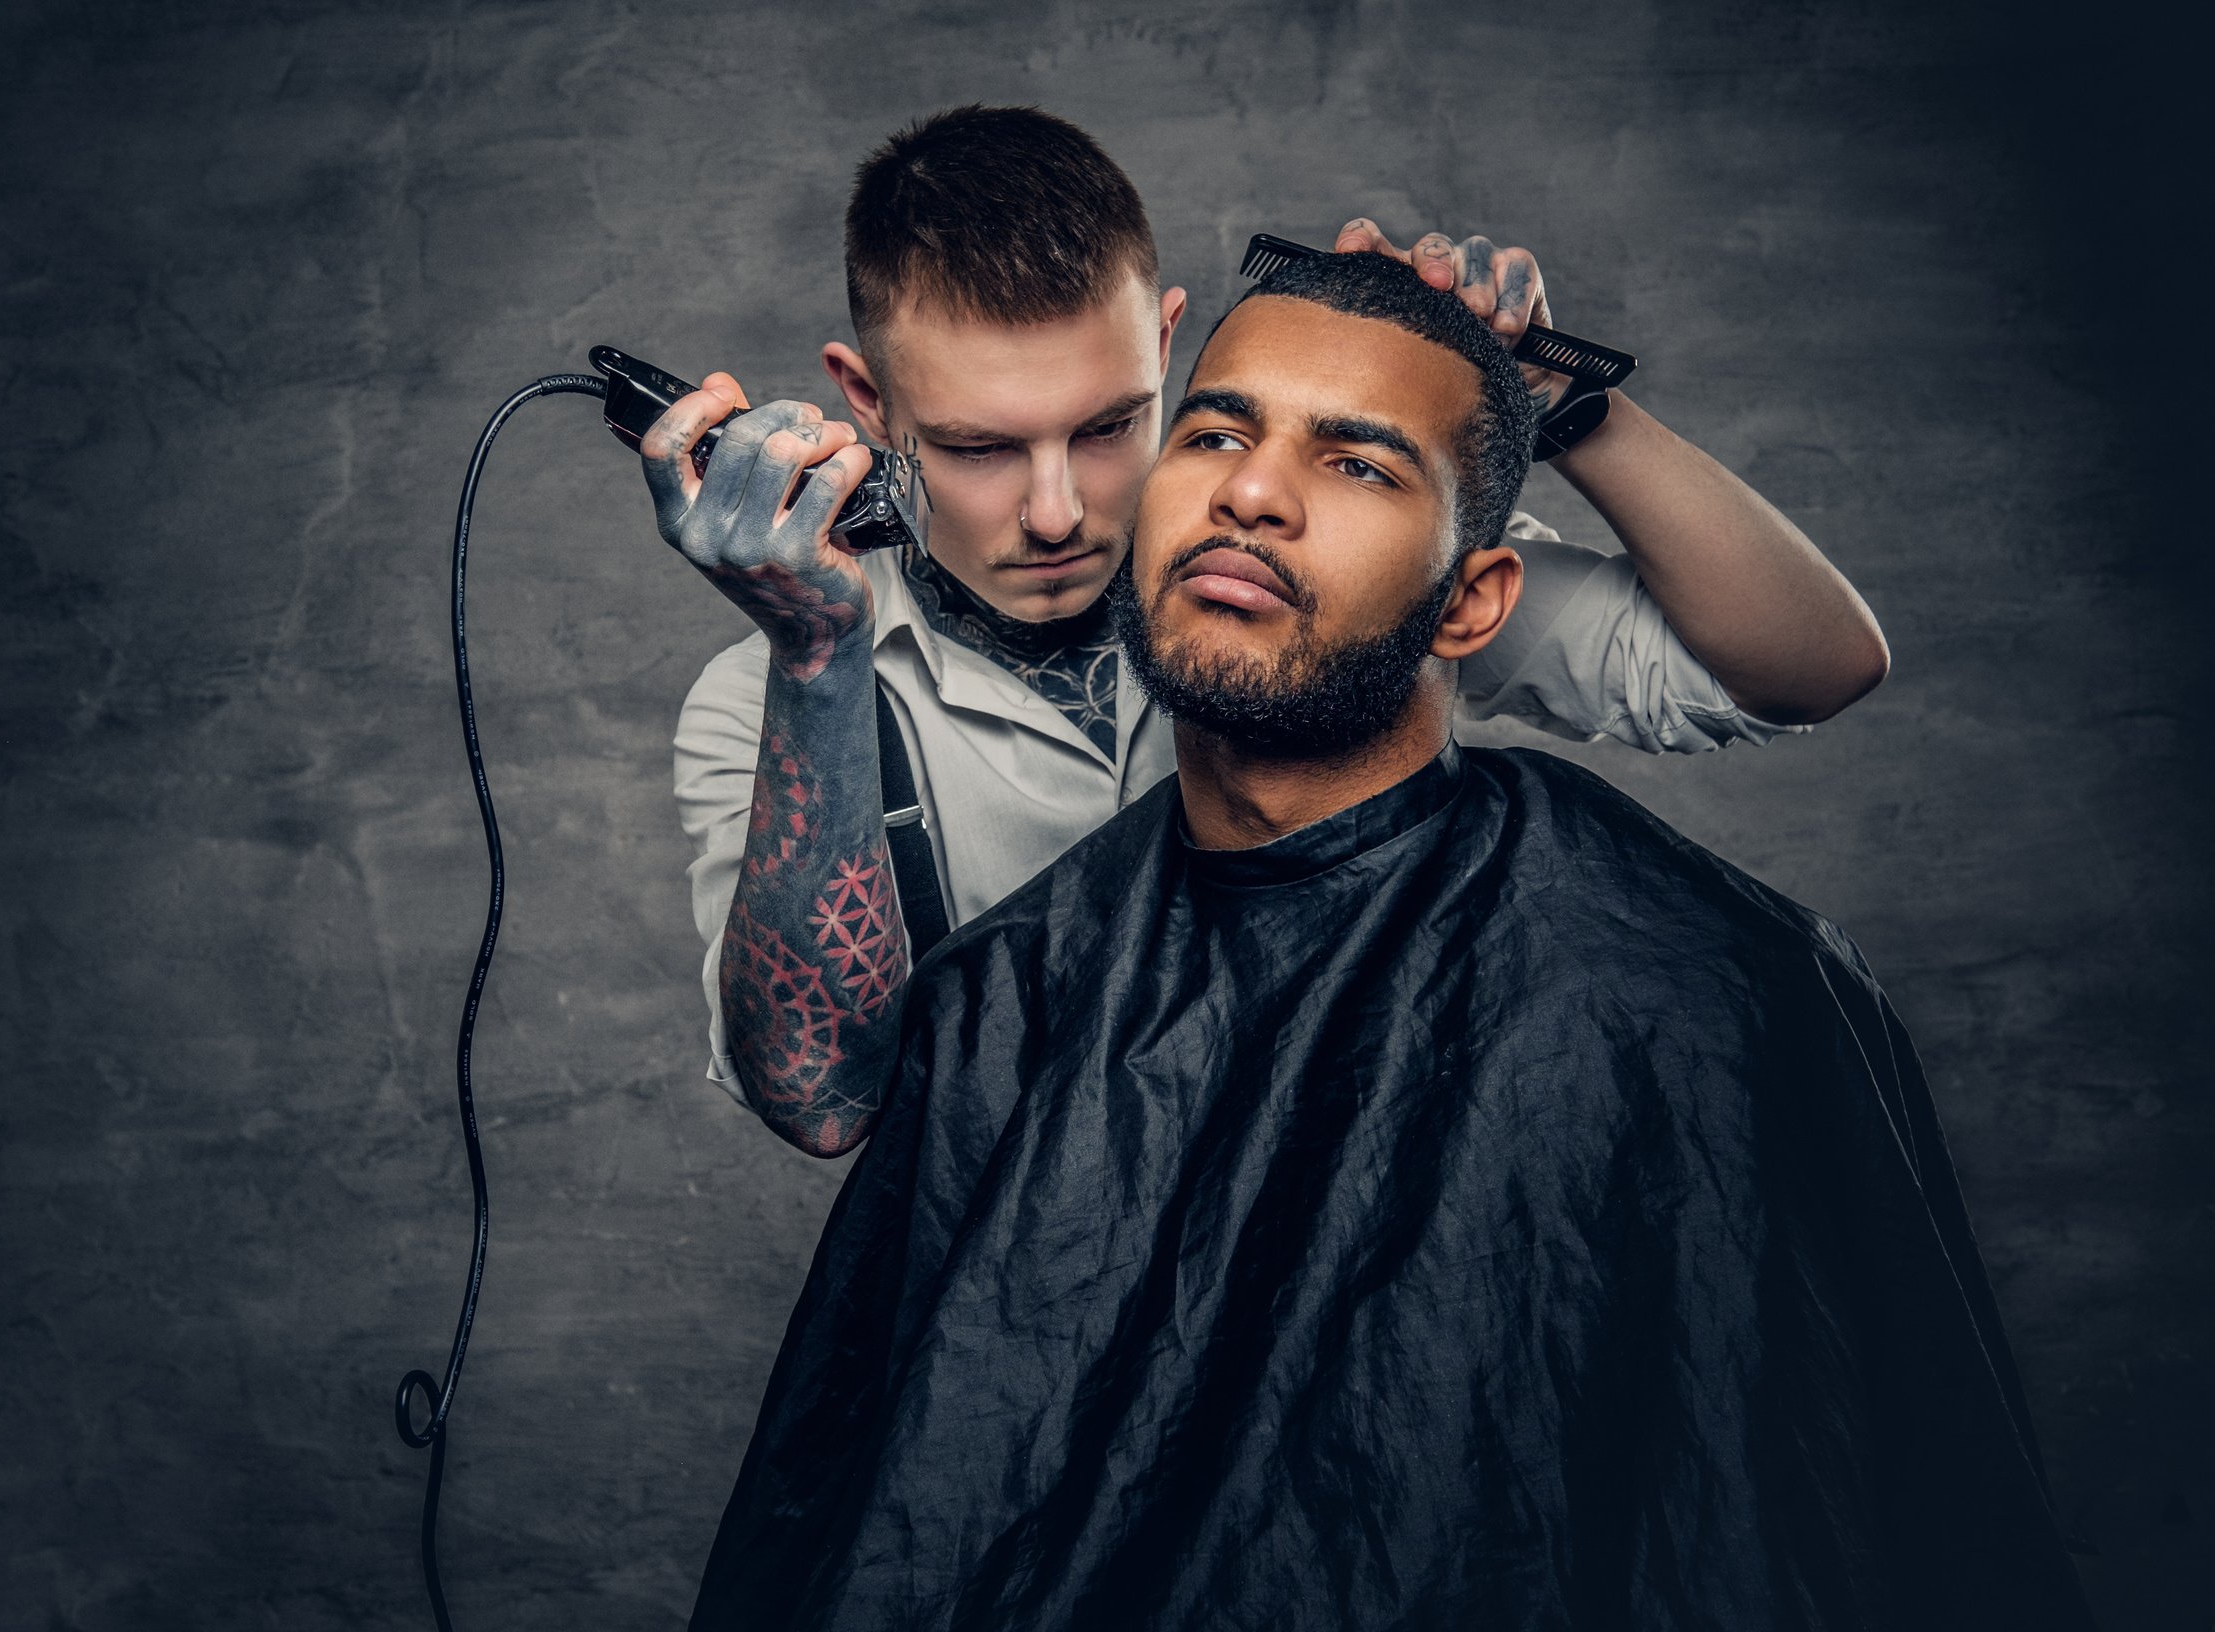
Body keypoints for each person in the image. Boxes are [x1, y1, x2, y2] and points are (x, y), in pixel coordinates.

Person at [685, 250, 2090, 1632]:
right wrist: (819, 652)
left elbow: (1772, 1522)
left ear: (1476, 604)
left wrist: (1566, 398)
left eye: (1357, 464)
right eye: (1216, 432)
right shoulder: (1011, 992)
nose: (1250, 490)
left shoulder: (1684, 991)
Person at [653, 105, 1890, 1155]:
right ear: (867, 402)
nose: (1056, 513)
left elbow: (1809, 666)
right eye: (979, 449)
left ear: (1168, 341)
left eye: (1108, 428)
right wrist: (816, 663)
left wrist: (1567, 414)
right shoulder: (763, 707)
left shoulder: (1303, 582)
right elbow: (823, 1100)